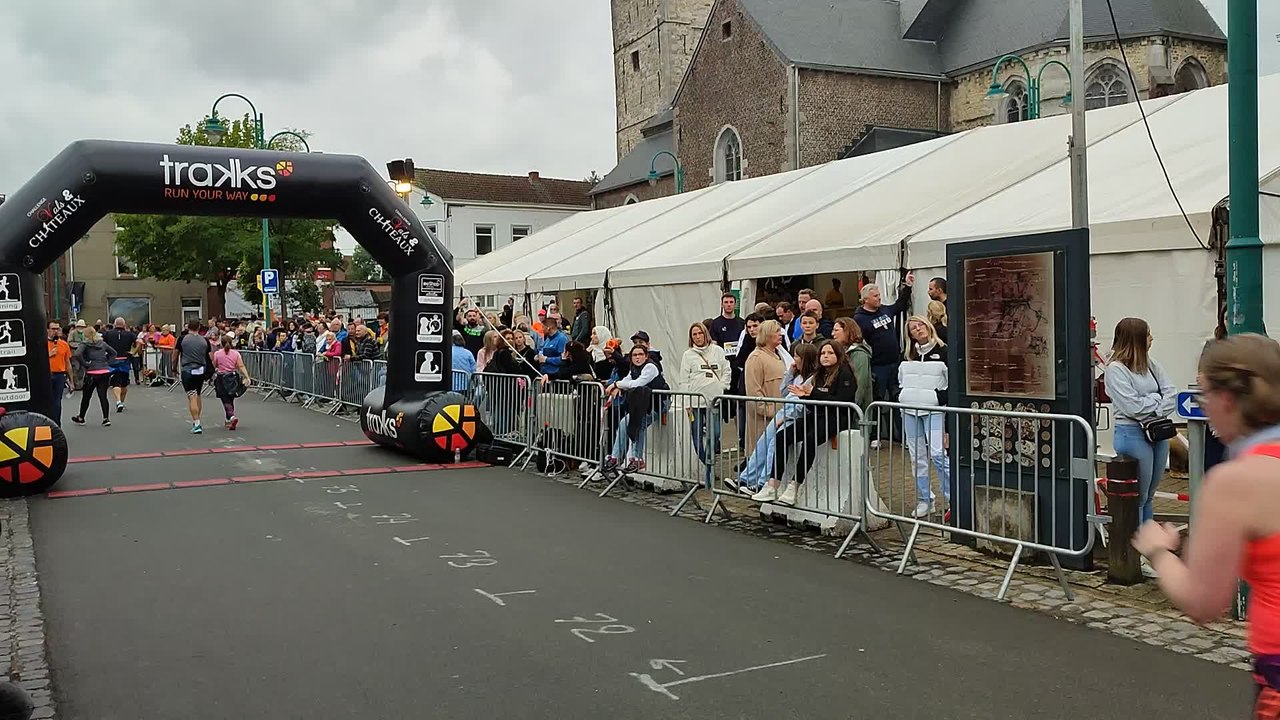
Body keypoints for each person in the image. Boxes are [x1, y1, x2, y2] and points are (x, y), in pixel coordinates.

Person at [1130, 334, 1280, 714]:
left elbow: (1204, 603)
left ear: (1228, 399)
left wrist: (1159, 552)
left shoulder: (1235, 482)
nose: (1203, 407)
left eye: (1204, 394)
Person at [753, 340, 857, 505]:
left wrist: (812, 393)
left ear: (838, 355)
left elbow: (841, 400)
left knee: (810, 439)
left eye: (830, 353)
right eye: (823, 353)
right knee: (782, 437)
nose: (825, 357)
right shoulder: (819, 374)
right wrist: (805, 396)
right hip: (817, 414)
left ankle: (794, 486)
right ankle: (772, 486)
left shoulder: (844, 373)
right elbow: (814, 399)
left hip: (836, 417)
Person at [1104, 317, 1177, 543]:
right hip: (1132, 434)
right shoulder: (1115, 370)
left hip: (1156, 432)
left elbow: (1172, 393)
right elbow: (1131, 407)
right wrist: (1157, 401)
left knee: (1149, 495)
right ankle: (1136, 548)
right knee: (1139, 495)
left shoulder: (1151, 364)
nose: (1152, 338)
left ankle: (1149, 544)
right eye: (1148, 334)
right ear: (1136, 339)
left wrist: (1149, 402)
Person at [733, 343, 818, 494]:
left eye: (797, 356)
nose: (794, 359)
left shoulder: (813, 379)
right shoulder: (798, 376)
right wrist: (790, 374)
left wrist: (785, 417)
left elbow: (804, 403)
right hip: (785, 411)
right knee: (763, 442)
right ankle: (746, 478)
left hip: (794, 415)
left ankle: (762, 482)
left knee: (774, 444)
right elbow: (784, 392)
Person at [898, 315, 951, 519]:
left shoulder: (943, 351)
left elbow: (951, 381)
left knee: (938, 455)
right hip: (910, 411)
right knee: (917, 457)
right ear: (909, 334)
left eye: (920, 325)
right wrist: (900, 396)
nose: (918, 329)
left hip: (934, 410)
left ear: (928, 326)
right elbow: (898, 380)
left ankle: (951, 497)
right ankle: (924, 499)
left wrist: (939, 397)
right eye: (913, 328)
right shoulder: (906, 355)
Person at [854, 274, 915, 440]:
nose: (879, 298)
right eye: (875, 296)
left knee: (897, 398)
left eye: (879, 295)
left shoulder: (884, 310)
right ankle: (875, 436)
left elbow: (899, 306)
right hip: (877, 366)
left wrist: (907, 287)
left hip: (894, 363)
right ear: (865, 299)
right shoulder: (859, 319)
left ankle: (902, 436)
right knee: (877, 402)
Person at [603, 344, 669, 474]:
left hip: (658, 403)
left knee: (639, 423)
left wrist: (616, 384)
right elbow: (627, 380)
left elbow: (637, 383)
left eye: (640, 355)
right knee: (624, 423)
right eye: (634, 355)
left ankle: (637, 458)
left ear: (646, 356)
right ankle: (616, 456)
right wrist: (619, 386)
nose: (637, 358)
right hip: (643, 404)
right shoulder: (633, 368)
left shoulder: (650, 367)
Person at [680, 322, 731, 482]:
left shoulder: (717, 351)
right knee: (696, 436)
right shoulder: (688, 355)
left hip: (713, 401)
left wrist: (721, 388)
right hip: (695, 401)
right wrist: (686, 401)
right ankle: (707, 463)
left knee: (714, 434)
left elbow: (726, 370)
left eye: (699, 333)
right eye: (694, 334)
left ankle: (709, 464)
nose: (697, 337)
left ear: (705, 334)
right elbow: (684, 379)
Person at [744, 319, 787, 450]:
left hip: (779, 417)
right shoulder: (756, 358)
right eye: (777, 332)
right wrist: (769, 411)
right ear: (767, 335)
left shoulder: (779, 355)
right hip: (763, 420)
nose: (780, 334)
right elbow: (753, 390)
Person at [176, 319, 214, 434]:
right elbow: (211, 357)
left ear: (188, 327)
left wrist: (174, 367)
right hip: (201, 369)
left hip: (187, 369)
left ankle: (197, 422)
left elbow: (175, 354)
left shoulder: (182, 339)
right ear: (199, 327)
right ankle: (197, 418)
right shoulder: (205, 340)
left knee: (191, 396)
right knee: (197, 394)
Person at [72, 327, 113, 426]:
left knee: (86, 396)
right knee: (103, 396)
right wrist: (107, 362)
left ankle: (81, 417)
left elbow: (77, 354)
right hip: (104, 371)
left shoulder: (85, 344)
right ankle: (106, 418)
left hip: (92, 372)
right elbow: (113, 352)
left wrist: (85, 363)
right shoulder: (102, 344)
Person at [833, 317, 873, 412]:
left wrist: (853, 407)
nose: (832, 334)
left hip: (855, 411)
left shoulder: (859, 354)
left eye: (836, 330)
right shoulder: (842, 352)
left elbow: (860, 383)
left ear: (847, 331)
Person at [213, 334, 252, 430]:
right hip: (233, 377)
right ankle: (228, 419)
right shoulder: (236, 354)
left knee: (225, 399)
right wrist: (247, 377)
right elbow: (241, 366)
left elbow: (215, 365)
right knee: (230, 399)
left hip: (222, 378)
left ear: (221, 344)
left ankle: (231, 417)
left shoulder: (217, 354)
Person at [102, 317, 138, 412]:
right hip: (125, 359)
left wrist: (105, 353)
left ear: (114, 324)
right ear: (124, 324)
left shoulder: (108, 334)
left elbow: (101, 343)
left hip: (112, 360)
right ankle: (120, 402)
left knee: (116, 382)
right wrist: (133, 352)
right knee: (124, 383)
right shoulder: (130, 334)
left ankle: (119, 402)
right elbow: (140, 342)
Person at [47, 321, 71, 426]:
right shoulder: (41, 343)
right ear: (47, 330)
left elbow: (68, 363)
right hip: (46, 375)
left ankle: (56, 425)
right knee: (47, 402)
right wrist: (49, 354)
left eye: (57, 329)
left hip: (60, 375)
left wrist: (71, 381)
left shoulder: (64, 344)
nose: (55, 331)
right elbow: (36, 360)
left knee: (57, 402)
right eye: (53, 329)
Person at [67, 319, 87, 391]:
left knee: (82, 369)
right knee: (75, 368)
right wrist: (79, 345)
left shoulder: (85, 333)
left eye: (82, 327)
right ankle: (76, 384)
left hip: (83, 354)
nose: (81, 328)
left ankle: (80, 384)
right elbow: (70, 342)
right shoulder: (72, 333)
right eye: (80, 327)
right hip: (74, 353)